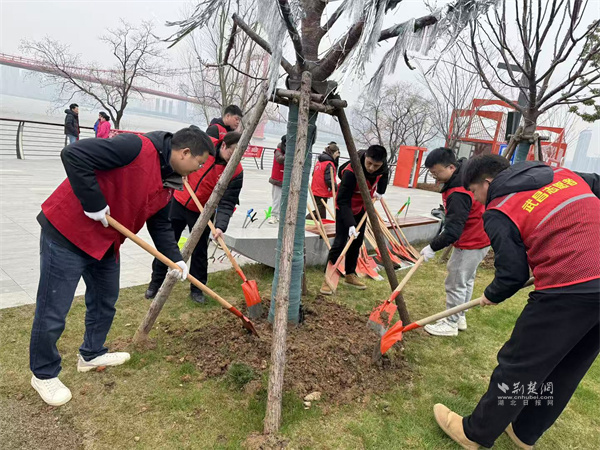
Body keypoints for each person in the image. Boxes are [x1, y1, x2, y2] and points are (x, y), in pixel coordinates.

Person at [30, 127, 214, 407]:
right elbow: (73, 154)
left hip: (106, 242)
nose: (198, 170)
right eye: (198, 163)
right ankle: (43, 373)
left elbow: (160, 223)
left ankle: (91, 353)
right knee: (53, 309)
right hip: (67, 233)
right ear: (185, 153)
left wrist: (175, 258)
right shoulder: (135, 147)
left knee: (105, 300)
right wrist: (94, 202)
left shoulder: (170, 179)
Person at [433, 155, 600, 450]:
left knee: (519, 365)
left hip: (568, 286)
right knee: (569, 364)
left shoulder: (500, 208)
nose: (476, 199)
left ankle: (474, 433)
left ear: (487, 183)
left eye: (474, 191)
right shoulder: (562, 174)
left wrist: (492, 294)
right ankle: (525, 432)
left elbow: (512, 274)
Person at [145, 132, 244, 304]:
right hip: (178, 201)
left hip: (203, 211)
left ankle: (197, 289)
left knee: (199, 251)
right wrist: (179, 173)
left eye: (240, 154)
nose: (235, 158)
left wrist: (220, 226)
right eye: (232, 152)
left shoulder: (236, 171)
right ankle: (155, 283)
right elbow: (179, 156)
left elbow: (228, 201)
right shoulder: (204, 148)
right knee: (167, 243)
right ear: (223, 146)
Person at [419, 148, 490, 336]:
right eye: (432, 173)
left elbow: (453, 231)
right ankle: (459, 317)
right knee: (466, 279)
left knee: (456, 281)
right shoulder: (463, 176)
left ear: (451, 167)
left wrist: (432, 247)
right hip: (481, 236)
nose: (435, 177)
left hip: (471, 240)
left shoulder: (458, 191)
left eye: (436, 172)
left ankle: (450, 323)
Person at [320, 145, 389, 294]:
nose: (372, 168)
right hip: (345, 207)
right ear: (365, 158)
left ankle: (350, 274)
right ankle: (328, 278)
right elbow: (342, 201)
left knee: (357, 242)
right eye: (369, 163)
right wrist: (350, 224)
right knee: (340, 243)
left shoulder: (382, 167)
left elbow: (385, 174)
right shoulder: (351, 172)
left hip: (362, 205)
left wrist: (380, 191)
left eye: (376, 166)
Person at [307, 142, 340, 219]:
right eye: (337, 153)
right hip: (321, 190)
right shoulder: (329, 164)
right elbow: (329, 179)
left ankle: (321, 222)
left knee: (320, 209)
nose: (337, 155)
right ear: (333, 153)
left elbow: (313, 174)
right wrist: (336, 188)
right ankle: (306, 219)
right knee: (320, 210)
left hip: (316, 188)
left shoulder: (320, 161)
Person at [268, 135, 286, 224]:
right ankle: (273, 215)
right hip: (278, 178)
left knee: (282, 199)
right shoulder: (278, 151)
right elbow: (280, 159)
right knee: (277, 198)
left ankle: (279, 215)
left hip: (285, 179)